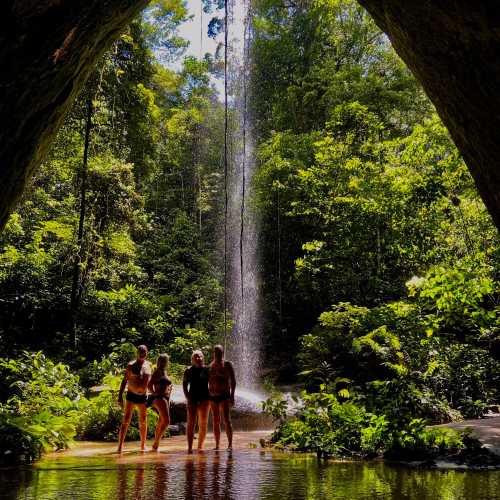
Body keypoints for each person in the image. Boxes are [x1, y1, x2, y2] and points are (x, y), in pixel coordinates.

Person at [117, 344, 152, 453]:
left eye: (144, 352)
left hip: (143, 396)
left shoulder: (149, 365)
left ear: (147, 353)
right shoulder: (131, 365)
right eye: (140, 351)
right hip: (131, 395)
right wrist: (120, 396)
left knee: (143, 421)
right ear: (137, 353)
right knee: (126, 420)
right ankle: (120, 447)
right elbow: (124, 381)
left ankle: (142, 445)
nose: (142, 353)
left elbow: (151, 381)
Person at [208, 344, 236, 450]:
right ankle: (217, 445)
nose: (218, 354)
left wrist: (232, 395)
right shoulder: (211, 366)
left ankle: (230, 444)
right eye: (216, 352)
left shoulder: (227, 364)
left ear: (222, 352)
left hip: (224, 395)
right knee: (216, 420)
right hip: (212, 396)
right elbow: (207, 380)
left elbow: (233, 380)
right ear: (213, 353)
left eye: (219, 352)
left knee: (227, 419)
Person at [183, 349, 210, 453]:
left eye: (200, 356)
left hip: (205, 399)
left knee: (203, 423)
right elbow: (184, 385)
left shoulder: (207, 370)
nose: (199, 358)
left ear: (203, 358)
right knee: (191, 423)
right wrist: (187, 397)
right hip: (192, 399)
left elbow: (211, 383)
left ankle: (200, 446)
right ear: (192, 360)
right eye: (196, 357)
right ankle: (189, 447)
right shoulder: (188, 370)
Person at [148, 353, 172, 451]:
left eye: (164, 361)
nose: (163, 363)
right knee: (166, 422)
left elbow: (166, 384)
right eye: (161, 361)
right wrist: (154, 393)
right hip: (160, 398)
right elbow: (149, 385)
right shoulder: (157, 372)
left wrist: (169, 390)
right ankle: (156, 442)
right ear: (158, 362)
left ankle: (155, 445)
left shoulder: (164, 372)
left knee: (161, 421)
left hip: (165, 398)